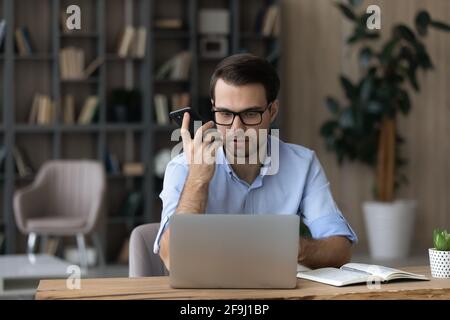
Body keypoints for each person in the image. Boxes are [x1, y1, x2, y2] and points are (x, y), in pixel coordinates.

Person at [153, 53, 357, 270]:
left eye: (250, 114)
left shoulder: (302, 164)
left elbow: (340, 250)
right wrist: (197, 180)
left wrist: (294, 248)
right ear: (213, 108)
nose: (236, 129)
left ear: (273, 111)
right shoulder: (183, 167)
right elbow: (174, 259)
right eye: (224, 114)